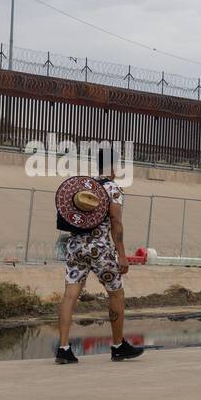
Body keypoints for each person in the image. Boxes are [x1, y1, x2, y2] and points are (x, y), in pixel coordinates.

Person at [55, 150, 143, 364]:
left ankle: (64, 348)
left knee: (69, 296)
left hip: (75, 246)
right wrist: (122, 255)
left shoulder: (84, 187)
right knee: (115, 294)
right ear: (113, 167)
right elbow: (116, 222)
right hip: (100, 248)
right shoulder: (112, 189)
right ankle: (118, 345)